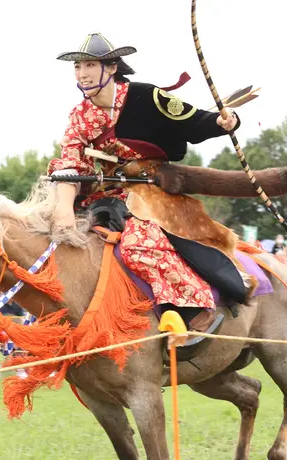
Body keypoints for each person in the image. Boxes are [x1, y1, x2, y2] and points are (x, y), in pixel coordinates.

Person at [48, 33, 241, 320]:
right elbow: (70, 159)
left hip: (150, 191)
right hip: (107, 195)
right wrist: (62, 209)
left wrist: (223, 121)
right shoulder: (80, 115)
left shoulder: (146, 96)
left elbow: (193, 122)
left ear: (112, 68)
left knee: (140, 243)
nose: (82, 74)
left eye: (90, 65)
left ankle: (190, 311)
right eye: (78, 67)